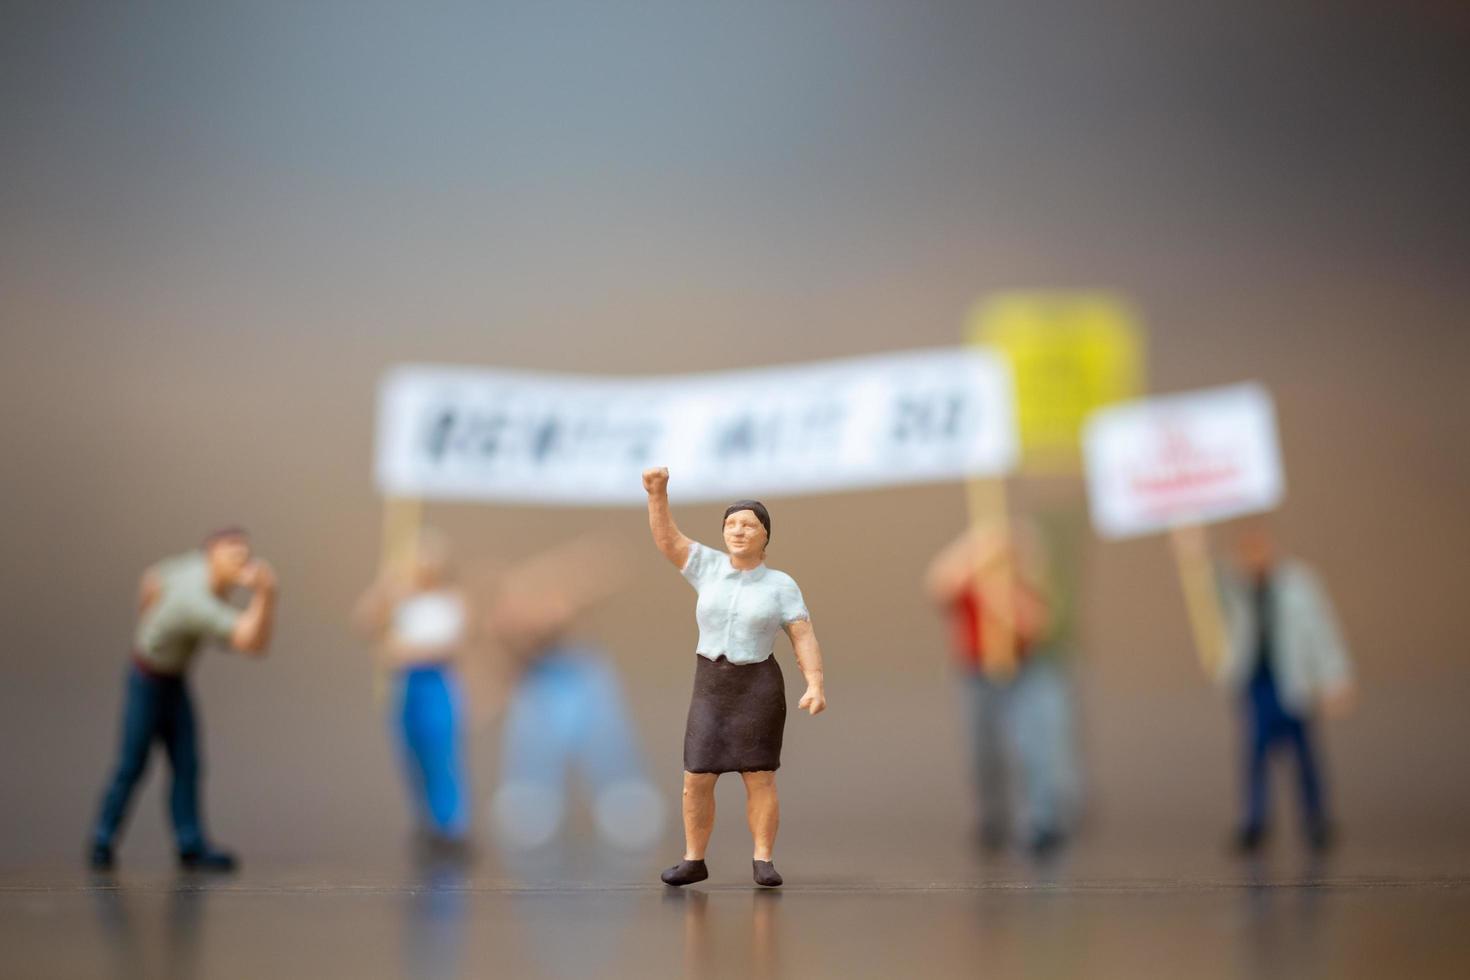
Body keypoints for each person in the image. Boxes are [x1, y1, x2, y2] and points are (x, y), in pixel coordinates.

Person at [643, 466, 827, 888]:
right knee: (696, 776)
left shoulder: (781, 585)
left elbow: (803, 634)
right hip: (711, 684)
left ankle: (763, 859)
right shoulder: (707, 566)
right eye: (731, 524)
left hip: (757, 686)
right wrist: (657, 494)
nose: (738, 531)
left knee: (759, 775)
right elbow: (668, 540)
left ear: (765, 535)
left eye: (748, 525)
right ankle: (694, 858)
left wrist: (815, 683)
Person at [88, 527, 278, 872]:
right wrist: (266, 594)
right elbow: (252, 643)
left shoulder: (192, 566)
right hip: (147, 680)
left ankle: (190, 844)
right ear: (212, 554)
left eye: (244, 555)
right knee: (132, 764)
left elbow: (153, 577)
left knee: (187, 764)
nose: (242, 562)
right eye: (232, 555)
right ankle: (102, 839)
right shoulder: (195, 600)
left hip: (173, 679)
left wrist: (149, 625)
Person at [1182, 519, 1355, 853]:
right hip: (1256, 680)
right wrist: (1194, 547)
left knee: (1304, 754)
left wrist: (1336, 676)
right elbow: (1206, 588)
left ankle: (1315, 819)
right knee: (1255, 753)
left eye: (1259, 549)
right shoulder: (1236, 587)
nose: (1253, 558)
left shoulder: (1299, 585)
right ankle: (1254, 821)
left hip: (1293, 679)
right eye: (1246, 552)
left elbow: (1322, 631)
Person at [925, 516, 1078, 857]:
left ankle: (1042, 821)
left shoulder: (1027, 584)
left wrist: (1000, 594)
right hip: (977, 672)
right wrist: (975, 551)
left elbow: (1036, 625)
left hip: (1024, 672)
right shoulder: (968, 578)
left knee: (1034, 747)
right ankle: (991, 819)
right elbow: (938, 584)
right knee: (982, 751)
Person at [353, 530, 474, 856]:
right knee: (412, 755)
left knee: (441, 755)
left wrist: (403, 651)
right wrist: (384, 588)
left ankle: (451, 825)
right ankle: (426, 823)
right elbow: (365, 623)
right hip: (407, 686)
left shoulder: (452, 600)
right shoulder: (401, 600)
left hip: (437, 685)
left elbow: (451, 646)